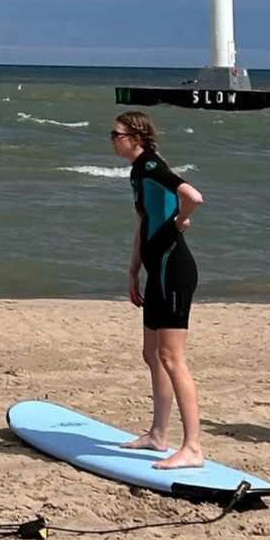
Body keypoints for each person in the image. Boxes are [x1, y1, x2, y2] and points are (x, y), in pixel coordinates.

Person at [112, 110, 205, 469]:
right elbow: (143, 221)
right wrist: (133, 270)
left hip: (173, 270)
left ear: (135, 138)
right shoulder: (139, 172)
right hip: (156, 272)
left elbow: (193, 196)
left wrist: (182, 219)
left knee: (171, 357)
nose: (112, 140)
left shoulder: (150, 166)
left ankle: (193, 447)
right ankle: (158, 434)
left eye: (116, 134)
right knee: (151, 353)